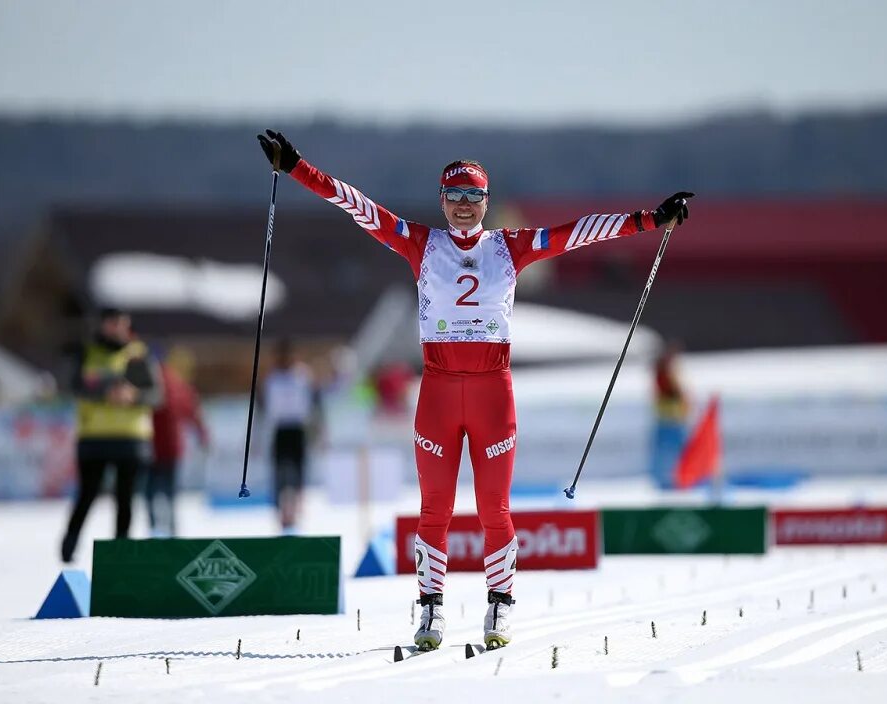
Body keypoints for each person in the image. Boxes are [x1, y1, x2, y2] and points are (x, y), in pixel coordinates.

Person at [257, 129, 693, 650]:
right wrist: (298, 167)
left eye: (474, 197)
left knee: (495, 509)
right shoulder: (422, 243)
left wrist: (650, 219)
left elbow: (578, 233)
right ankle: (430, 612)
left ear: (487, 201)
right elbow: (360, 207)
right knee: (433, 509)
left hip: (492, 393)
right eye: (455, 196)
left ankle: (500, 607)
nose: (464, 207)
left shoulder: (510, 247)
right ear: (442, 200)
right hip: (439, 391)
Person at [61, 308, 162, 562]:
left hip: (131, 439)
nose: (116, 327)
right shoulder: (88, 352)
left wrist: (133, 396)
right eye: (112, 322)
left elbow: (156, 395)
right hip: (94, 438)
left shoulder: (138, 354)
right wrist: (105, 393)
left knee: (126, 497)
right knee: (87, 494)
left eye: (121, 322)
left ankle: (121, 550)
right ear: (103, 324)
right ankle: (70, 543)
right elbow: (75, 387)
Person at [261, 339, 323, 532]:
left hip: (298, 429)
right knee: (280, 473)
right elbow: (262, 408)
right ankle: (281, 514)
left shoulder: (302, 376)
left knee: (298, 473)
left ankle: (295, 511)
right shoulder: (271, 378)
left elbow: (315, 405)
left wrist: (319, 431)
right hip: (280, 429)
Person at [148, 347, 209, 537]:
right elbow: (193, 411)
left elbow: (191, 410)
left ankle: (159, 530)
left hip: (156, 448)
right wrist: (202, 434)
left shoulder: (168, 383)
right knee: (165, 492)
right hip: (165, 448)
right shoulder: (177, 383)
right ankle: (168, 531)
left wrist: (202, 434)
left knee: (154, 492)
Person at [650, 340, 690, 488]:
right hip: (669, 419)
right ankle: (671, 480)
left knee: (673, 452)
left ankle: (675, 479)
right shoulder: (663, 373)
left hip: (672, 417)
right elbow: (673, 393)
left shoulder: (667, 372)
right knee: (670, 453)